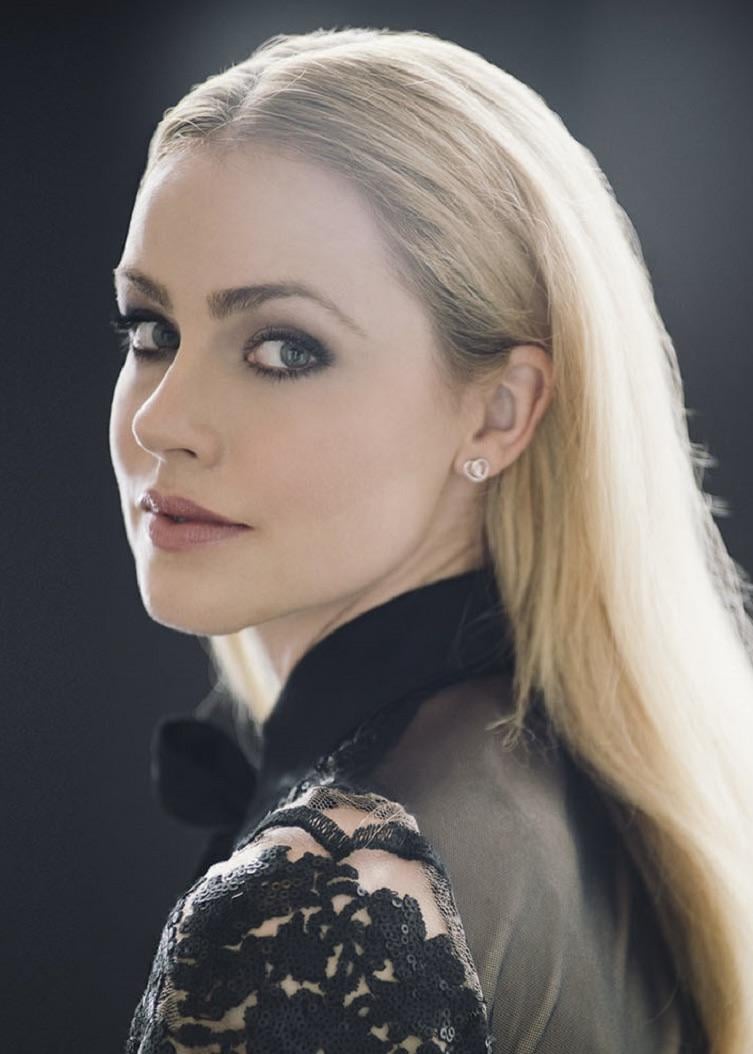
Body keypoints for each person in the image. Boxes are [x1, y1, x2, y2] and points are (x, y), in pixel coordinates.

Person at [108, 26, 753, 1054]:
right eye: (152, 330)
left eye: (283, 348)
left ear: (498, 412)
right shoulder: (577, 790)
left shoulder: (330, 892)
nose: (159, 419)